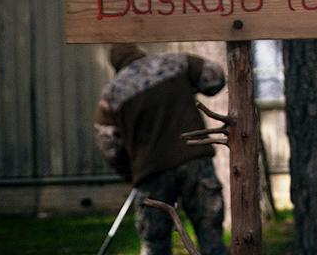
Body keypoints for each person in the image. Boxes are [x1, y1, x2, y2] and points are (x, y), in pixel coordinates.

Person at [95, 43, 228, 255]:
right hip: (194, 160)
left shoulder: (112, 94)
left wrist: (131, 173)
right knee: (211, 236)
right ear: (140, 51)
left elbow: (108, 145)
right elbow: (215, 77)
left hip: (151, 173)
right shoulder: (175, 63)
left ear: (115, 65)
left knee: (155, 244)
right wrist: (187, 87)